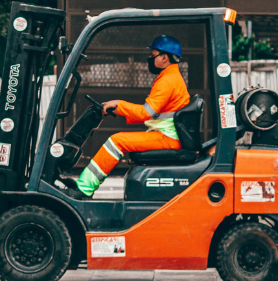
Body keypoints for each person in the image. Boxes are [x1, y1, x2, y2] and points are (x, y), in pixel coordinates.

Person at [72, 35, 190, 198]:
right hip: (166, 136)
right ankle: (83, 186)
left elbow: (146, 113)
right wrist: (118, 109)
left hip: (167, 138)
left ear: (164, 58)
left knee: (117, 141)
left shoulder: (168, 81)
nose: (149, 59)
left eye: (152, 55)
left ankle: (83, 189)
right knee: (118, 140)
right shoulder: (170, 78)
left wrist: (119, 104)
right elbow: (152, 114)